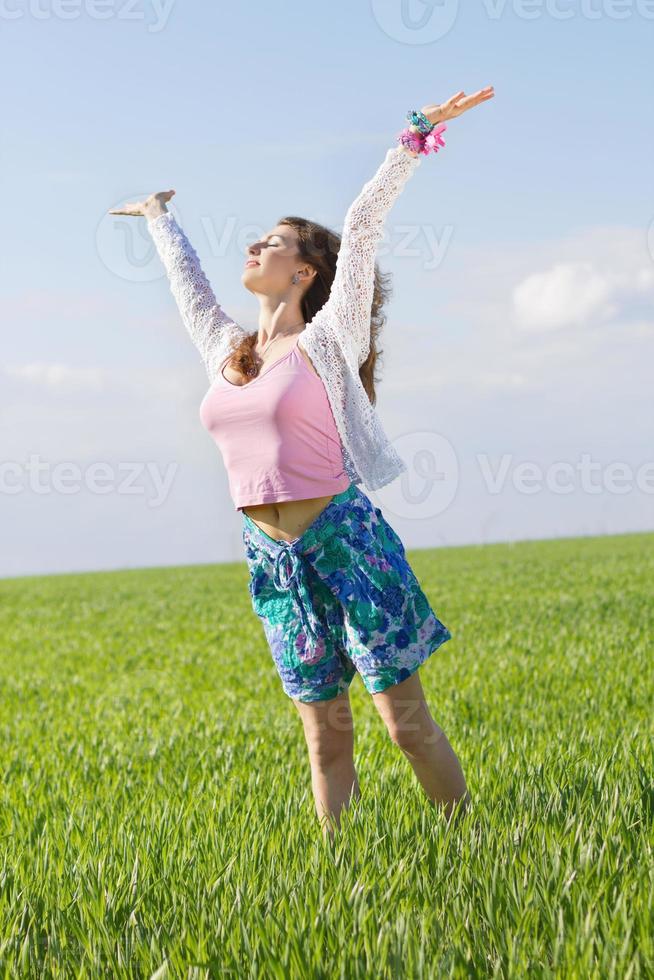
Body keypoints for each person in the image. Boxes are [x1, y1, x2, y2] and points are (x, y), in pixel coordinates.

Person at [109, 87, 495, 840]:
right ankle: (340, 878)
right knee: (325, 736)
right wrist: (159, 216)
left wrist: (412, 139)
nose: (254, 247)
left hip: (344, 542)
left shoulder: (326, 342)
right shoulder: (228, 351)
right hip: (271, 557)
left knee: (404, 725)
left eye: (272, 243)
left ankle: (474, 848)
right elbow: (188, 287)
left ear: (307, 274)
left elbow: (362, 224)